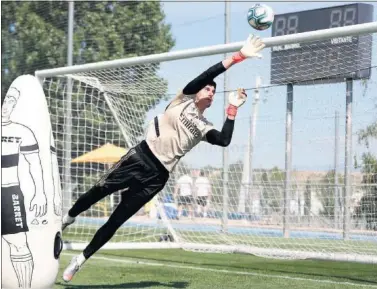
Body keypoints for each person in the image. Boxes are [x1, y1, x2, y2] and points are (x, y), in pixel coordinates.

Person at [61, 34, 265, 282]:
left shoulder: (204, 125)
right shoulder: (184, 99)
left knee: (117, 220)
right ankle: (70, 216)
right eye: (208, 88)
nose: (211, 91)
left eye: (214, 91)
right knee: (97, 192)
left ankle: (79, 260)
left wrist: (232, 109)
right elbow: (207, 73)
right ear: (198, 90)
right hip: (140, 156)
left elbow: (224, 140)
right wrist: (238, 57)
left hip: (157, 176)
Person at [2, 87, 48, 288]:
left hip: (8, 192)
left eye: (11, 100)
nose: (6, 105)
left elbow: (34, 164)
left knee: (19, 244)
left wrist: (40, 193)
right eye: (4, 99)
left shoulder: (22, 132)